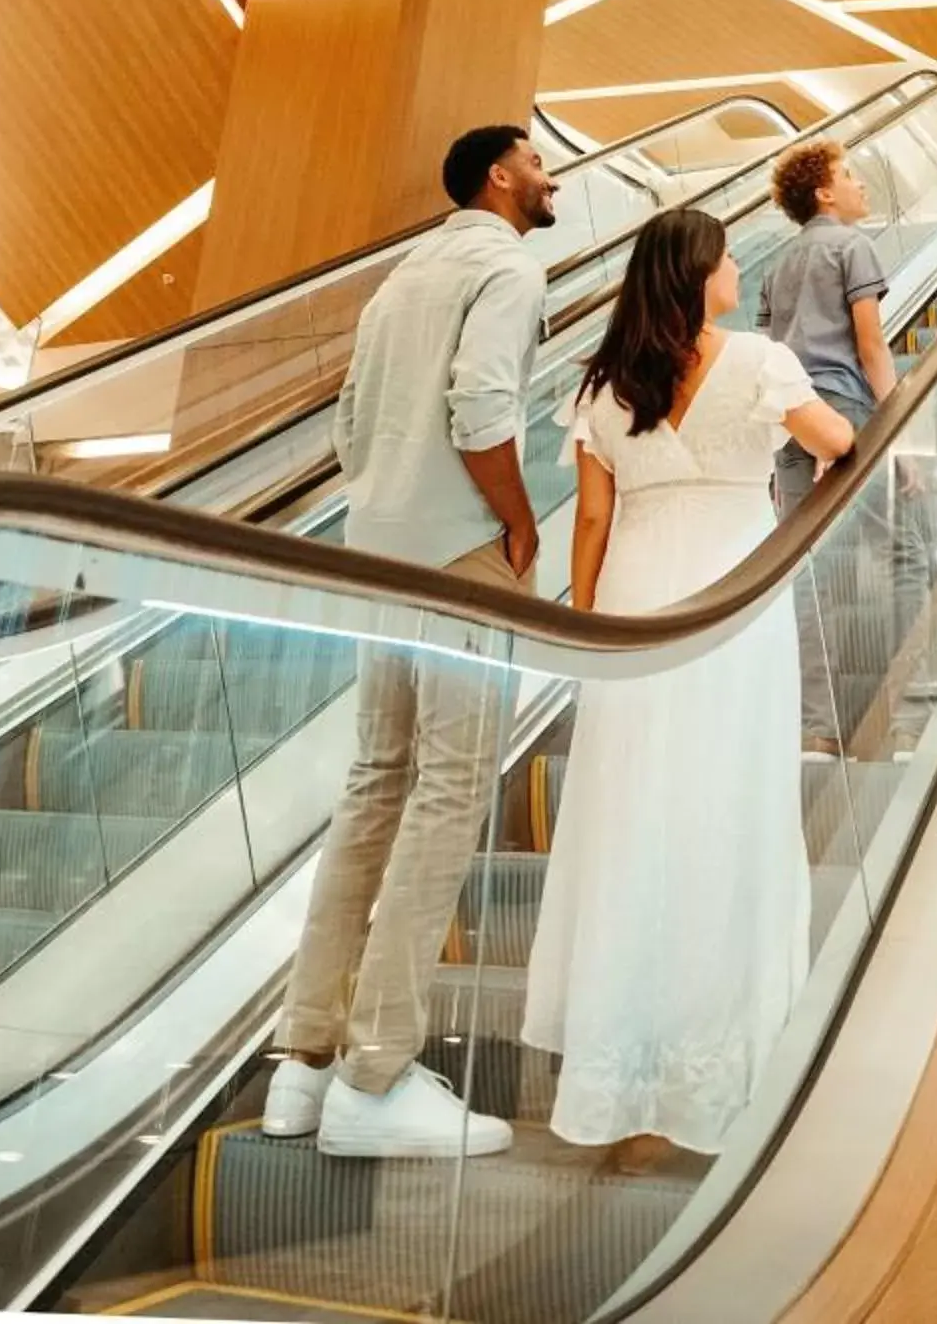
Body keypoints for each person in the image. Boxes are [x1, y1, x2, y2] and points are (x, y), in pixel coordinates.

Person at [520, 207, 853, 1159]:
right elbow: (837, 442)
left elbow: (590, 520)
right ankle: (718, 1061)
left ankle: (619, 1059)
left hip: (632, 602)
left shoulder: (604, 383)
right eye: (726, 259)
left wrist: (587, 630)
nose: (738, 271)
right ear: (699, 270)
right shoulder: (756, 361)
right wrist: (793, 522)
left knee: (630, 817)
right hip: (733, 595)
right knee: (726, 805)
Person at [261, 122, 557, 1162]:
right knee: (447, 789)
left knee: (377, 779)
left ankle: (303, 1062)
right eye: (537, 160)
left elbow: (349, 421)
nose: (549, 175)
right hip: (456, 547)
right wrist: (515, 520)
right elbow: (480, 406)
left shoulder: (402, 277)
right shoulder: (507, 266)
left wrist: (383, 502)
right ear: (499, 175)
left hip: (375, 543)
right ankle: (377, 1072)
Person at [760, 142, 931, 749]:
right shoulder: (852, 246)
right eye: (849, 176)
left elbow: (768, 358)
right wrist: (898, 433)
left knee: (812, 576)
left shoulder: (777, 266)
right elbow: (872, 347)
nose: (861, 185)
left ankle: (816, 730)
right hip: (847, 414)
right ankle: (913, 713)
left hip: (790, 421)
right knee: (907, 553)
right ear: (824, 194)